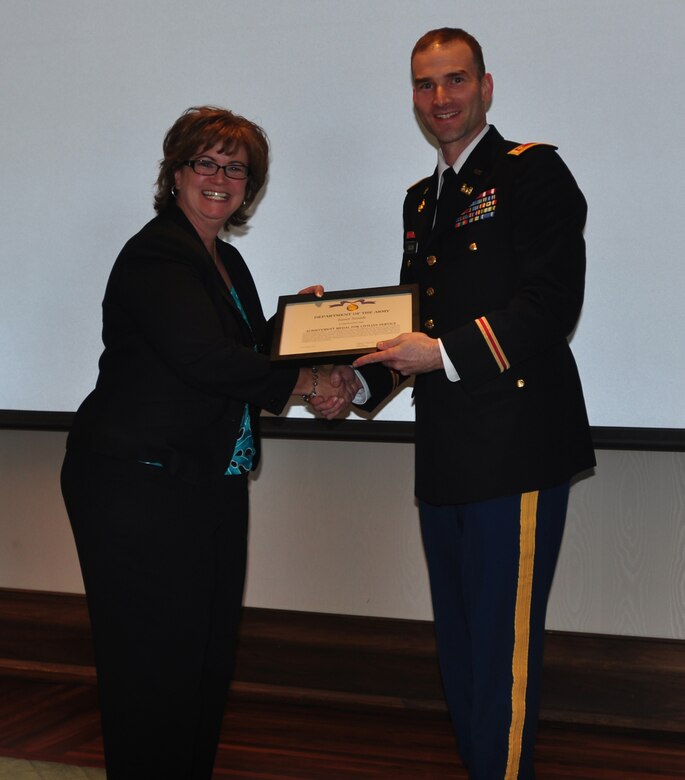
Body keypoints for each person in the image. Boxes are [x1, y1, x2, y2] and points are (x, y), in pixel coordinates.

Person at [60, 105, 359, 780]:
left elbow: (246, 350)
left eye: (236, 167)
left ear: (250, 186)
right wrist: (309, 378)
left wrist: (309, 327)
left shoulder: (225, 260)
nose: (220, 177)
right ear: (175, 172)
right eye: (206, 161)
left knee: (204, 660)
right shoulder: (157, 254)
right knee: (152, 669)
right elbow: (203, 358)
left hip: (208, 483)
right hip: (139, 486)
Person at [350, 28, 596, 779]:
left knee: (501, 649)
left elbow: (549, 305)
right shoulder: (421, 199)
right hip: (448, 454)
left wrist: (441, 354)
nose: (440, 99)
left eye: (455, 81)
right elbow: (416, 324)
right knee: (458, 644)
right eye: (425, 85)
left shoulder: (532, 174)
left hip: (515, 451)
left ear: (485, 88)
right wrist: (351, 382)